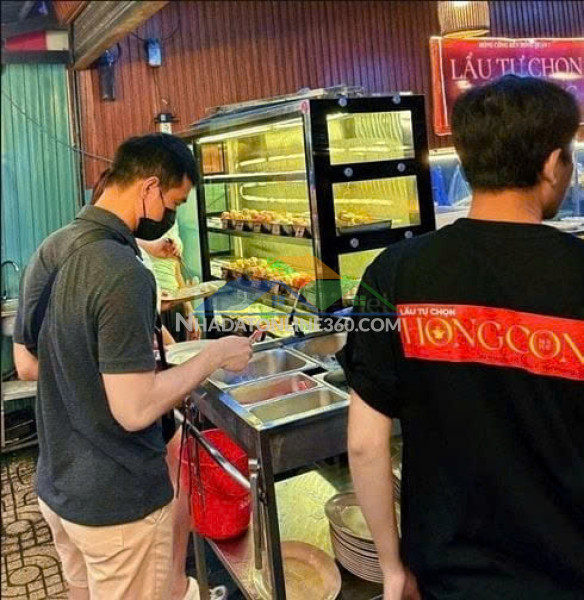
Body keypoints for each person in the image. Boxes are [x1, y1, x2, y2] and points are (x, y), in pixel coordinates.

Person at [338, 75, 583, 600]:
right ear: (551, 164)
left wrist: (392, 567)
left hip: (448, 576)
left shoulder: (393, 273)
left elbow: (364, 444)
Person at [13, 133, 252, 600]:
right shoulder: (123, 273)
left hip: (59, 484)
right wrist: (214, 355)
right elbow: (134, 409)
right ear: (149, 188)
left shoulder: (54, 248)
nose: (170, 217)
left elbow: (30, 360)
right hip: (116, 501)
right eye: (174, 203)